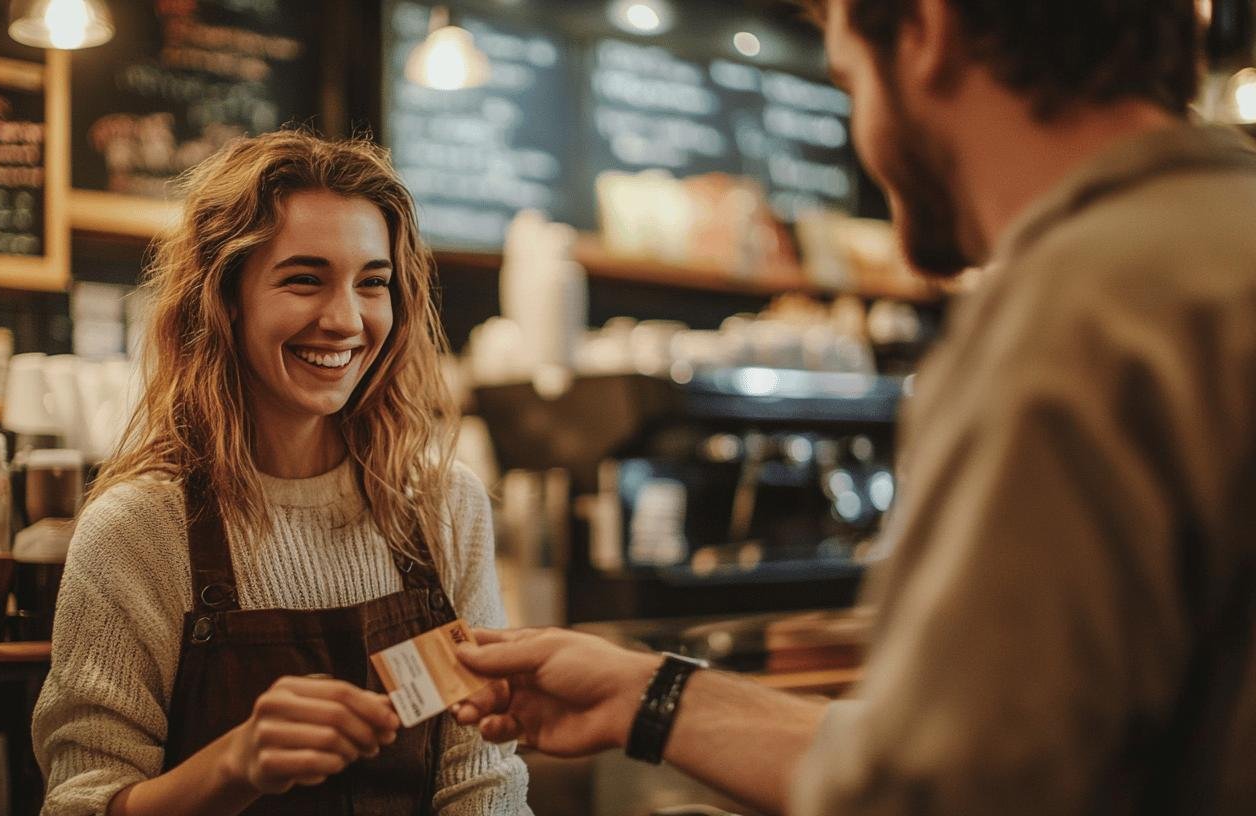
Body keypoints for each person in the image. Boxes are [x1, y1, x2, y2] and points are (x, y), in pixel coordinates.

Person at [454, 0, 1256, 813]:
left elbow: (945, 798)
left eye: (847, 80)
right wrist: (650, 696)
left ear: (926, 31)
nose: (860, 132)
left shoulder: (1073, 316)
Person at [32, 130, 529, 816]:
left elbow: (480, 774)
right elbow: (80, 805)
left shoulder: (442, 507)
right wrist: (233, 766)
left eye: (373, 284)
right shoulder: (141, 531)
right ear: (226, 296)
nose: (345, 319)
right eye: (305, 279)